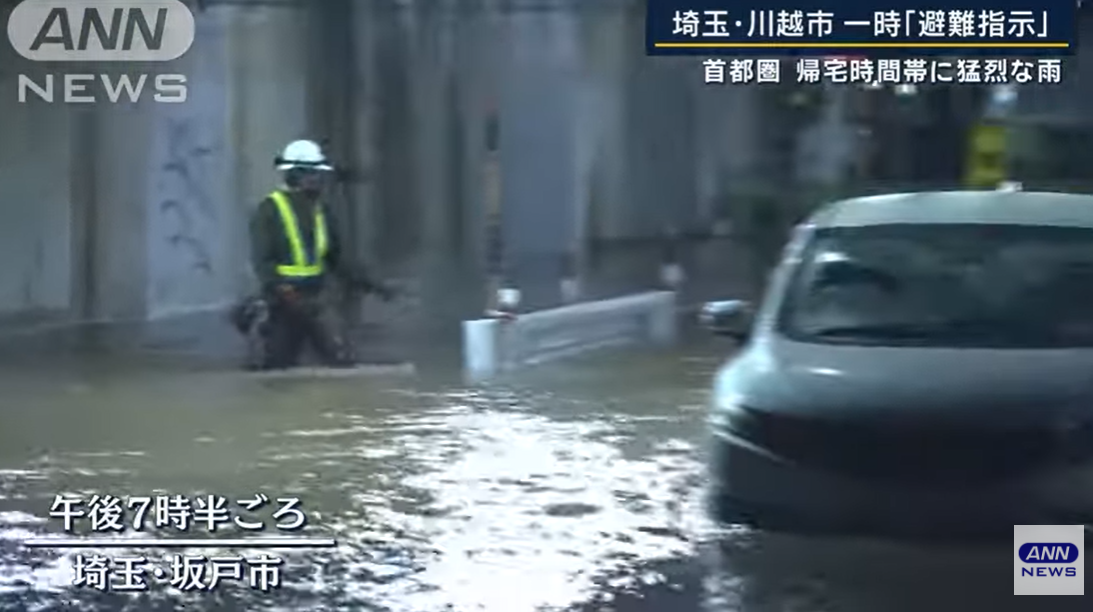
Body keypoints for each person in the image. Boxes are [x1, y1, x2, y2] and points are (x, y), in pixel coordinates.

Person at [242, 139, 393, 370]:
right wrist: (284, 291)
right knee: (276, 367)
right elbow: (262, 262)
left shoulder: (322, 212)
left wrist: (373, 285)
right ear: (294, 174)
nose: (317, 180)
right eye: (310, 174)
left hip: (316, 300)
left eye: (318, 174)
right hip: (281, 304)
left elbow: (336, 260)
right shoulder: (269, 209)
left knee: (341, 360)